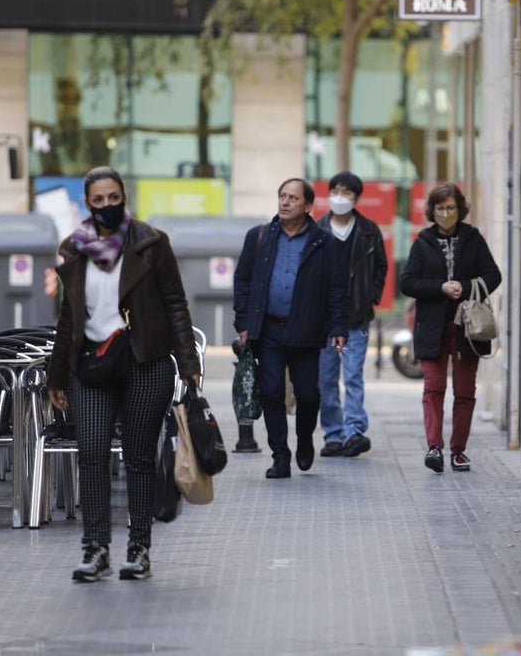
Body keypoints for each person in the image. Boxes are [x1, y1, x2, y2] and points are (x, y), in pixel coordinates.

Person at [46, 166, 201, 583]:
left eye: (114, 197)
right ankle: (95, 549)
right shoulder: (75, 249)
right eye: (99, 200)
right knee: (92, 452)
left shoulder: (151, 242)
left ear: (124, 196)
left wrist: (189, 364)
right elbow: (67, 317)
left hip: (144, 362)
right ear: (88, 203)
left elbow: (175, 304)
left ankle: (139, 549)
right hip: (92, 364)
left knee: (138, 458)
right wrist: (56, 375)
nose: (107, 206)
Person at [233, 178, 348, 479]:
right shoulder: (258, 237)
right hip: (268, 330)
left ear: (308, 206)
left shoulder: (325, 244)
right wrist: (243, 323)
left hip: (306, 330)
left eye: (292, 198)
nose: (284, 202)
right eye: (282, 196)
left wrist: (337, 326)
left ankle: (306, 438)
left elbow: (336, 289)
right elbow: (242, 281)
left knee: (309, 394)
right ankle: (280, 456)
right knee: (271, 392)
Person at [400, 183, 502, 473]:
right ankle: (434, 447)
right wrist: (439, 288)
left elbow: (493, 275)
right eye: (441, 208)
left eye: (451, 207)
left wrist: (466, 287)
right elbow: (407, 282)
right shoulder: (422, 242)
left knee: (465, 390)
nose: (446, 213)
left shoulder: (473, 238)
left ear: (460, 209)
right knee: (433, 387)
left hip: (467, 328)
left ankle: (459, 450)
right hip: (432, 327)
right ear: (432, 211)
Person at [316, 171, 388, 458]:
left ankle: (354, 431)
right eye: (336, 191)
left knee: (354, 376)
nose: (340, 197)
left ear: (356, 198)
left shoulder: (369, 231)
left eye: (347, 192)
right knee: (326, 379)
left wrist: (371, 296)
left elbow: (381, 269)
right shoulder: (317, 230)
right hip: (323, 320)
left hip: (356, 317)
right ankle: (333, 434)